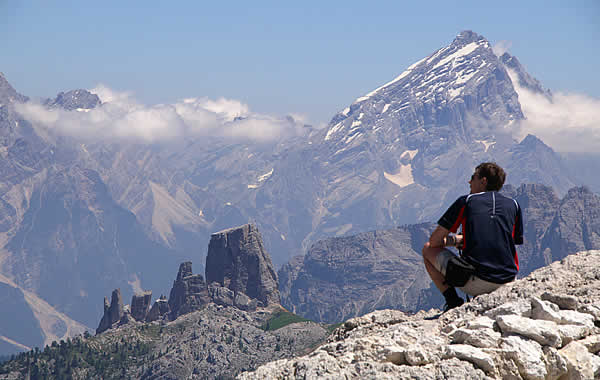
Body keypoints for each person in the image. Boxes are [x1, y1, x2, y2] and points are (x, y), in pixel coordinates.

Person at [422, 162, 523, 311]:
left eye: (473, 177)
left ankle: (453, 302)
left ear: (483, 181)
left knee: (428, 249)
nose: (469, 182)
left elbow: (435, 241)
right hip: (509, 280)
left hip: (477, 281)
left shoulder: (466, 201)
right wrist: (463, 240)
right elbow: (510, 241)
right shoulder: (514, 205)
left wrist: (454, 241)